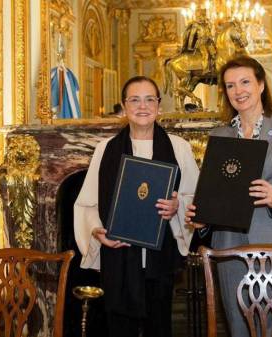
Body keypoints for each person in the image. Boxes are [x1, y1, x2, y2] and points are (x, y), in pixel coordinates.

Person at [185, 55, 272, 337]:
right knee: (238, 325)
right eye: (230, 86)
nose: (238, 91)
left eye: (245, 82)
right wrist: (202, 220)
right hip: (229, 246)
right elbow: (214, 193)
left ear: (260, 85)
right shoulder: (219, 134)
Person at [74, 76, 199, 337]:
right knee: (120, 328)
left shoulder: (179, 148)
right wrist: (98, 231)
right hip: (119, 257)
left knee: (159, 326)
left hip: (160, 258)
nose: (142, 106)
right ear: (123, 106)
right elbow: (87, 204)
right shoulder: (105, 149)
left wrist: (177, 205)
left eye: (149, 99)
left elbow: (195, 199)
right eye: (134, 100)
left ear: (159, 105)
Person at [181, 8, 216, 73]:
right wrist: (189, 46)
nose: (203, 17)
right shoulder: (196, 25)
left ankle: (214, 67)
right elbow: (191, 36)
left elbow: (210, 34)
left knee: (215, 53)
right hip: (201, 44)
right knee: (205, 54)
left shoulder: (207, 24)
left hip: (208, 42)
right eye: (201, 16)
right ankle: (206, 70)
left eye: (204, 16)